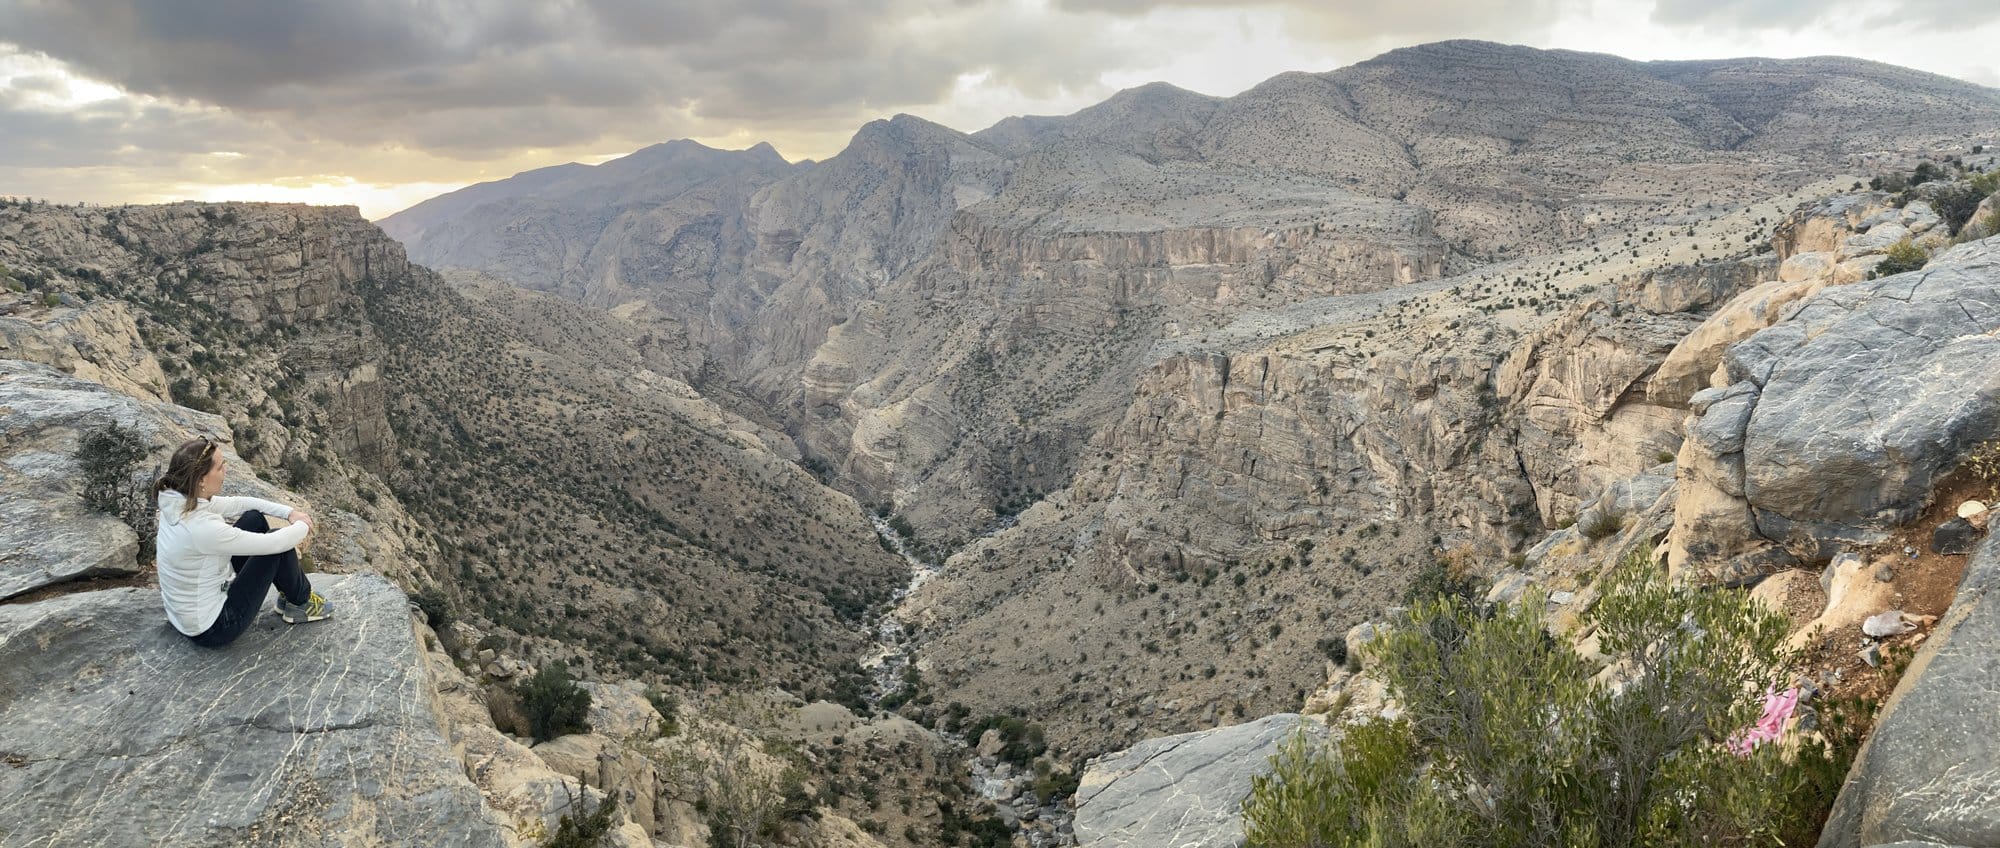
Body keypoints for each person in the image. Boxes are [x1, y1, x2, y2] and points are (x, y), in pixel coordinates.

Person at [154, 435, 333, 647]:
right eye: (220, 468)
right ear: (201, 480)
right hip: (215, 627)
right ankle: (300, 603)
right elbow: (274, 544)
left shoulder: (178, 500)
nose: (225, 471)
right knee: (276, 544)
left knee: (254, 518)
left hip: (185, 613)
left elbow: (238, 503)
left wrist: (290, 512)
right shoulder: (201, 529)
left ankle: (289, 595)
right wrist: (303, 525)